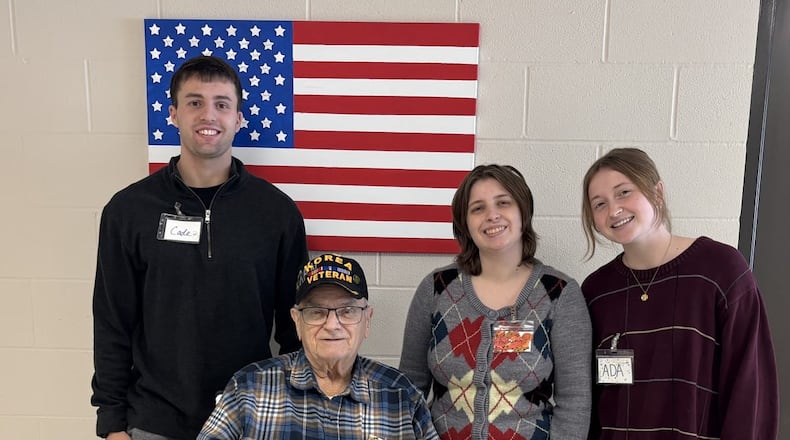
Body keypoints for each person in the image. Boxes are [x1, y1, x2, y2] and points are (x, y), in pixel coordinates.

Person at [90, 55, 308, 440]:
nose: (208, 115)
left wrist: (296, 411)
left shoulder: (276, 212)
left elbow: (295, 327)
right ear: (172, 113)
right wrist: (111, 423)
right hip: (153, 422)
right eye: (194, 103)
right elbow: (112, 321)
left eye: (222, 104)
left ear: (239, 118)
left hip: (252, 418)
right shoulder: (128, 211)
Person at [581, 147, 779, 439]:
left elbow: (750, 388)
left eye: (623, 192)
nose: (613, 210)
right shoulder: (597, 292)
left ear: (657, 192)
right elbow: (589, 399)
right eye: (599, 204)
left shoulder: (720, 270)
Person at [399, 164, 592, 439]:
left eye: (503, 203)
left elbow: (575, 402)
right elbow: (410, 387)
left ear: (523, 212)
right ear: (464, 222)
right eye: (478, 208)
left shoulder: (558, 294)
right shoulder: (437, 289)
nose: (492, 215)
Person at [198, 253, 439, 439]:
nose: (332, 325)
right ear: (297, 322)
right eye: (316, 312)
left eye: (347, 311)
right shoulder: (248, 388)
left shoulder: (401, 396)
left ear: (367, 320)